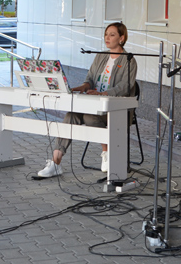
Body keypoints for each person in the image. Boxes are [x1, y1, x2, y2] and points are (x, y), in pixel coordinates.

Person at [37, 22, 137, 178]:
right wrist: (83, 87)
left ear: (122, 38)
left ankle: (107, 153)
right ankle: (55, 163)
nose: (107, 38)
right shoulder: (101, 56)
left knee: (90, 117)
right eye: (106, 34)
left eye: (112, 35)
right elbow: (90, 78)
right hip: (93, 104)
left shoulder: (129, 61)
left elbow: (125, 87)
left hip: (116, 109)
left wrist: (102, 93)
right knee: (71, 115)